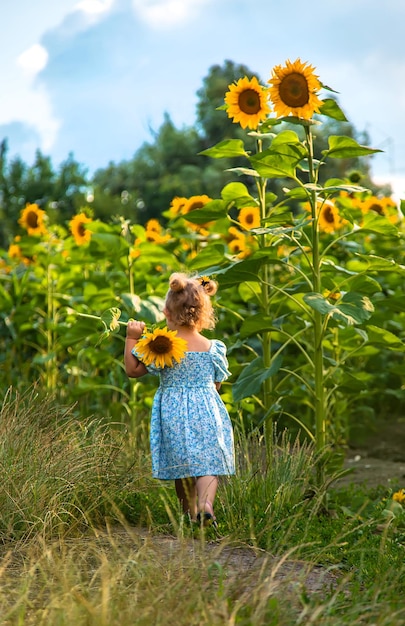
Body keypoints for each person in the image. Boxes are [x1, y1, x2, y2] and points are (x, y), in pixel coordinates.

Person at [124, 272, 235, 528]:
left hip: (173, 411)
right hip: (208, 409)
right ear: (203, 314)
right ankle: (207, 504)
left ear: (167, 313)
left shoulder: (162, 346)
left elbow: (133, 370)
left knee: (183, 465)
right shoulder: (214, 348)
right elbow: (217, 384)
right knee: (208, 463)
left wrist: (132, 337)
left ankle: (189, 515)